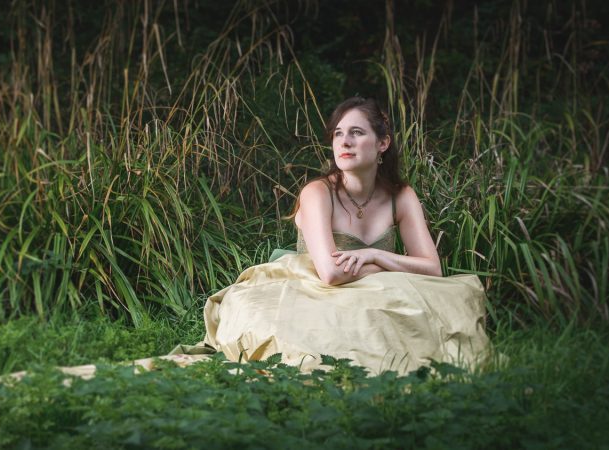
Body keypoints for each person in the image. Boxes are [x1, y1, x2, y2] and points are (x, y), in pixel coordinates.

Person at [202, 96, 489, 374]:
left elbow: (433, 269)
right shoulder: (318, 192)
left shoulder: (400, 196)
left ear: (383, 143)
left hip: (371, 293)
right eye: (338, 134)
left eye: (356, 132)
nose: (344, 142)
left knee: (442, 300)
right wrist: (387, 266)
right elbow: (331, 274)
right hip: (313, 289)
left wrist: (374, 253)